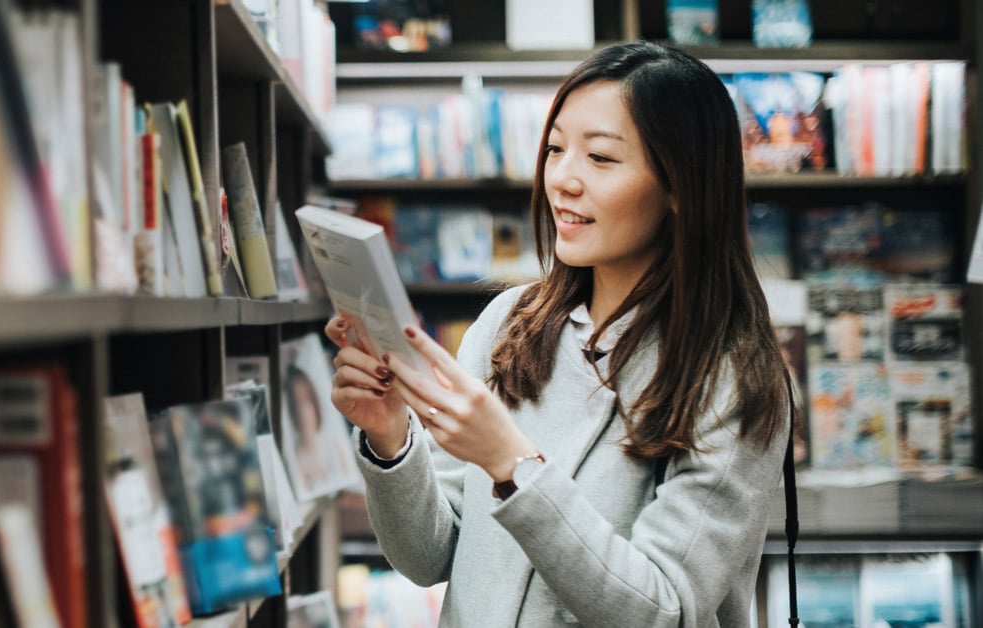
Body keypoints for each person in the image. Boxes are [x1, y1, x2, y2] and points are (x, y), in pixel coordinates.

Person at [326, 41, 793, 627]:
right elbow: (430, 555)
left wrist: (514, 463)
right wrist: (391, 435)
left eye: (600, 158)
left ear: (681, 184)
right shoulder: (508, 325)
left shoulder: (732, 380)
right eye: (554, 149)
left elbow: (664, 613)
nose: (563, 180)